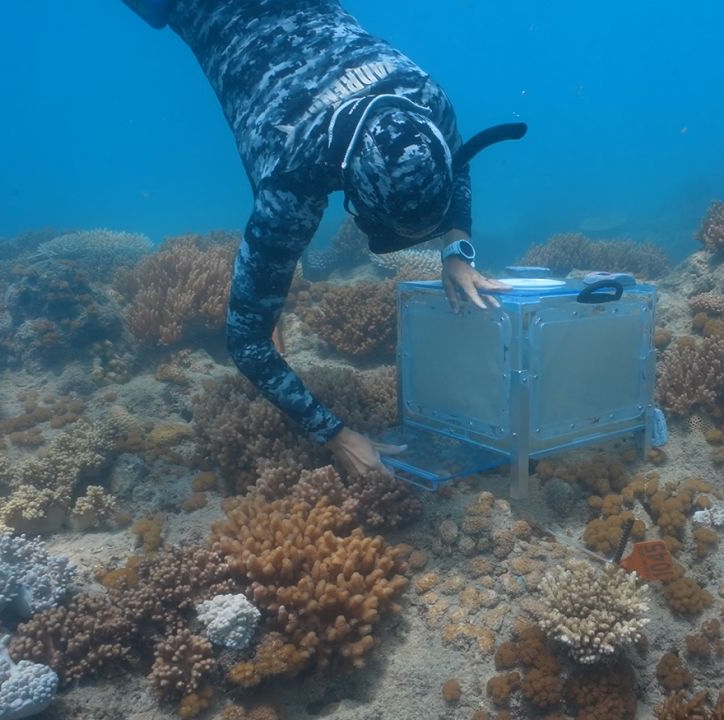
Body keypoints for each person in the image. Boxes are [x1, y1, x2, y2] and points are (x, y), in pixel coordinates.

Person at [122, 0, 525, 477]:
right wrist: (337, 435)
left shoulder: (424, 96)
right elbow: (247, 341)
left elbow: (456, 162)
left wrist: (456, 251)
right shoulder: (292, 178)